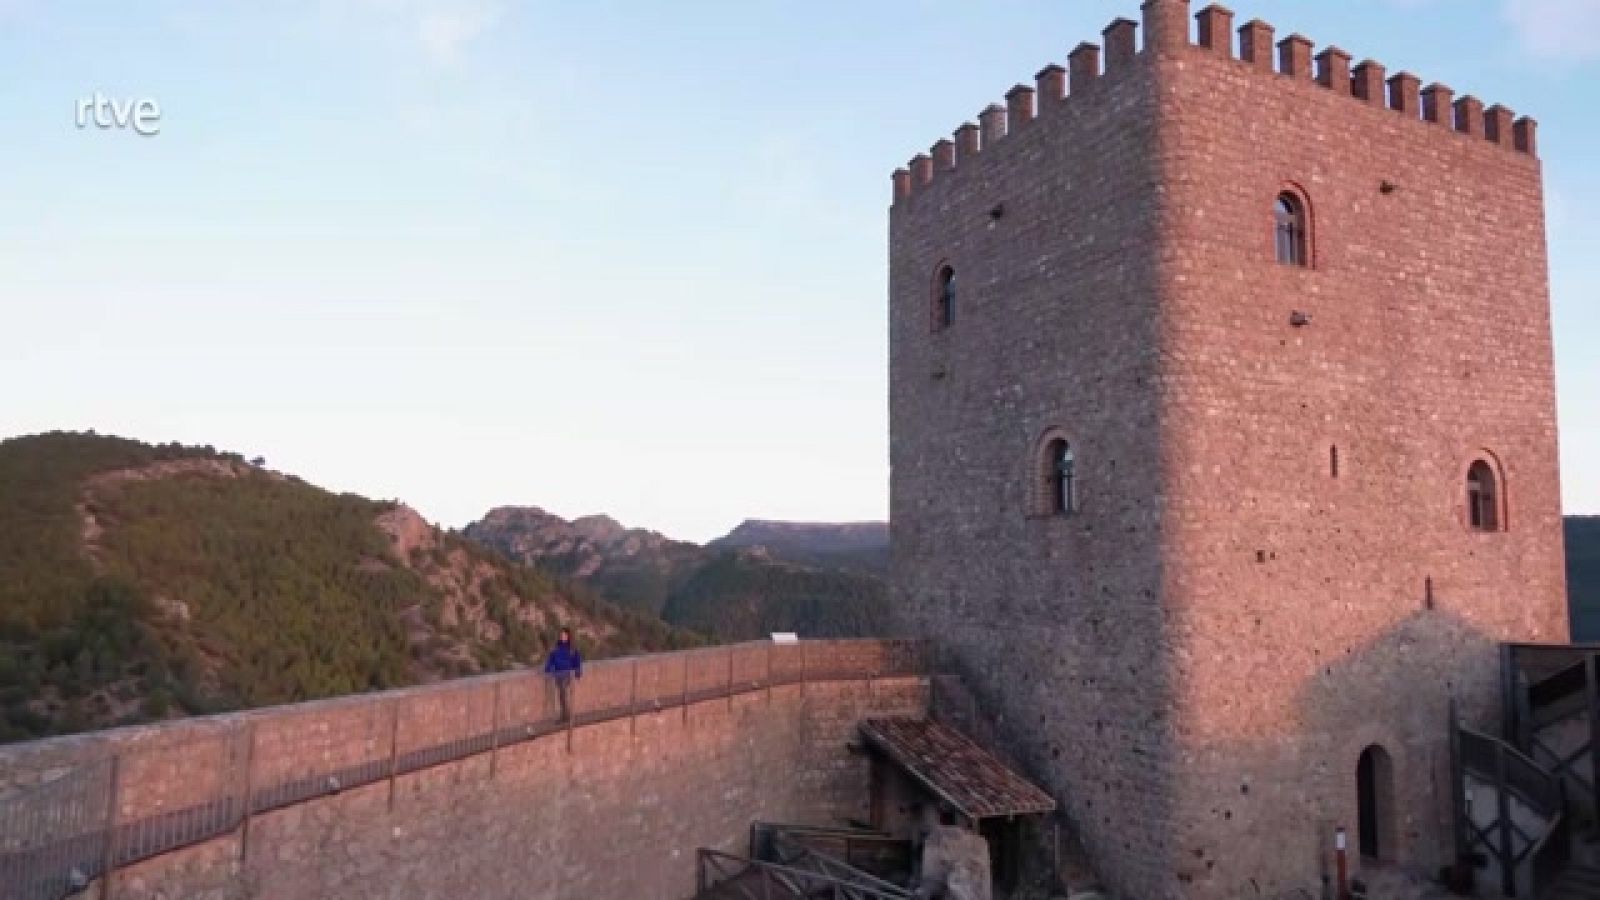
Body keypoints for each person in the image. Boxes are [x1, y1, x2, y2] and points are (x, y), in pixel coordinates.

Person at [544, 627, 583, 722]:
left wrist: (578, 672)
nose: (562, 637)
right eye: (561, 635)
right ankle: (565, 715)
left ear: (568, 636)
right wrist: (548, 668)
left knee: (563, 692)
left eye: (564, 635)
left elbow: (577, 661)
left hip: (567, 674)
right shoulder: (556, 648)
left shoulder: (572, 648)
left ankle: (566, 715)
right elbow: (551, 659)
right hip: (558, 674)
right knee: (561, 695)